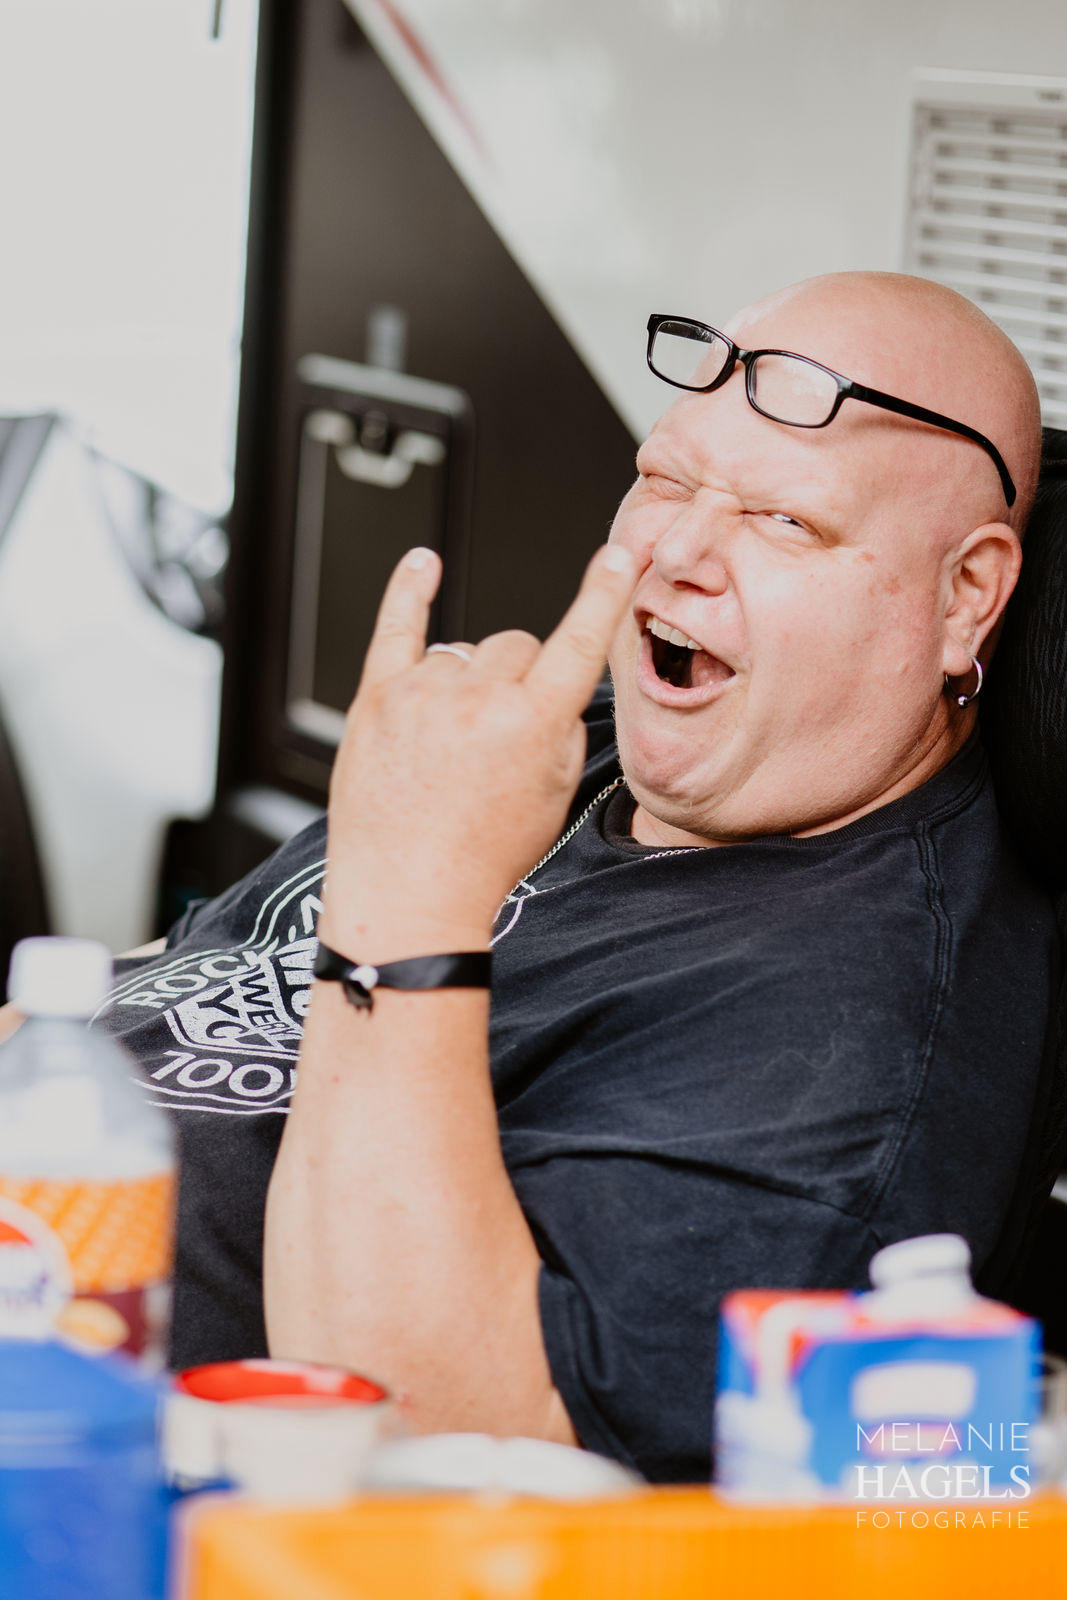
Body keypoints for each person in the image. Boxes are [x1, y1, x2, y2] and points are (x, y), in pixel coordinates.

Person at [0, 270, 1056, 1483]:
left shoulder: (843, 1039)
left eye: (781, 521)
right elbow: (163, 996)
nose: (672, 553)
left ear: (961, 597)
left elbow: (454, 1458)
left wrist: (409, 900)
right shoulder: (572, 744)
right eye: (665, 481)